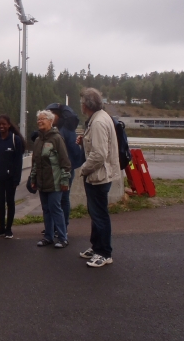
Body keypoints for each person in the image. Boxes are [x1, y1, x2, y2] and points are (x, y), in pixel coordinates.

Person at [77, 88, 120, 268]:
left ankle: (104, 253)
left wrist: (84, 169)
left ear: (86, 105)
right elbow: (97, 147)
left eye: (81, 102)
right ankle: (97, 247)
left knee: (100, 215)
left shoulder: (98, 123)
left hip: (98, 176)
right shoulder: (100, 118)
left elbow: (99, 154)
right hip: (98, 175)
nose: (80, 105)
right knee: (96, 214)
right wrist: (84, 141)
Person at [30, 110, 71, 248]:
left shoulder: (57, 138)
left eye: (43, 119)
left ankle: (63, 237)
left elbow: (65, 162)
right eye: (38, 119)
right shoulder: (37, 140)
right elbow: (35, 162)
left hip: (55, 182)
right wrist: (33, 179)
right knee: (46, 209)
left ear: (50, 121)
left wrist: (65, 181)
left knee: (55, 208)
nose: (40, 121)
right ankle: (48, 236)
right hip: (42, 182)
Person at [46, 103, 83, 232]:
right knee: (54, 200)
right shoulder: (52, 128)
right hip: (52, 170)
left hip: (66, 168)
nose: (49, 117)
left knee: (63, 198)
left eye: (52, 114)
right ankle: (53, 227)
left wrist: (60, 106)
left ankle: (62, 226)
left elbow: (74, 149)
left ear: (58, 114)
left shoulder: (67, 128)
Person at [0, 114, 25, 239]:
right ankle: (1, 228)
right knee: (0, 202)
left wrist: (17, 178)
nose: (1, 126)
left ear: (9, 125)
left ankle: (9, 229)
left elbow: (18, 161)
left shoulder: (15, 140)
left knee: (10, 202)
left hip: (11, 179)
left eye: (4, 124)